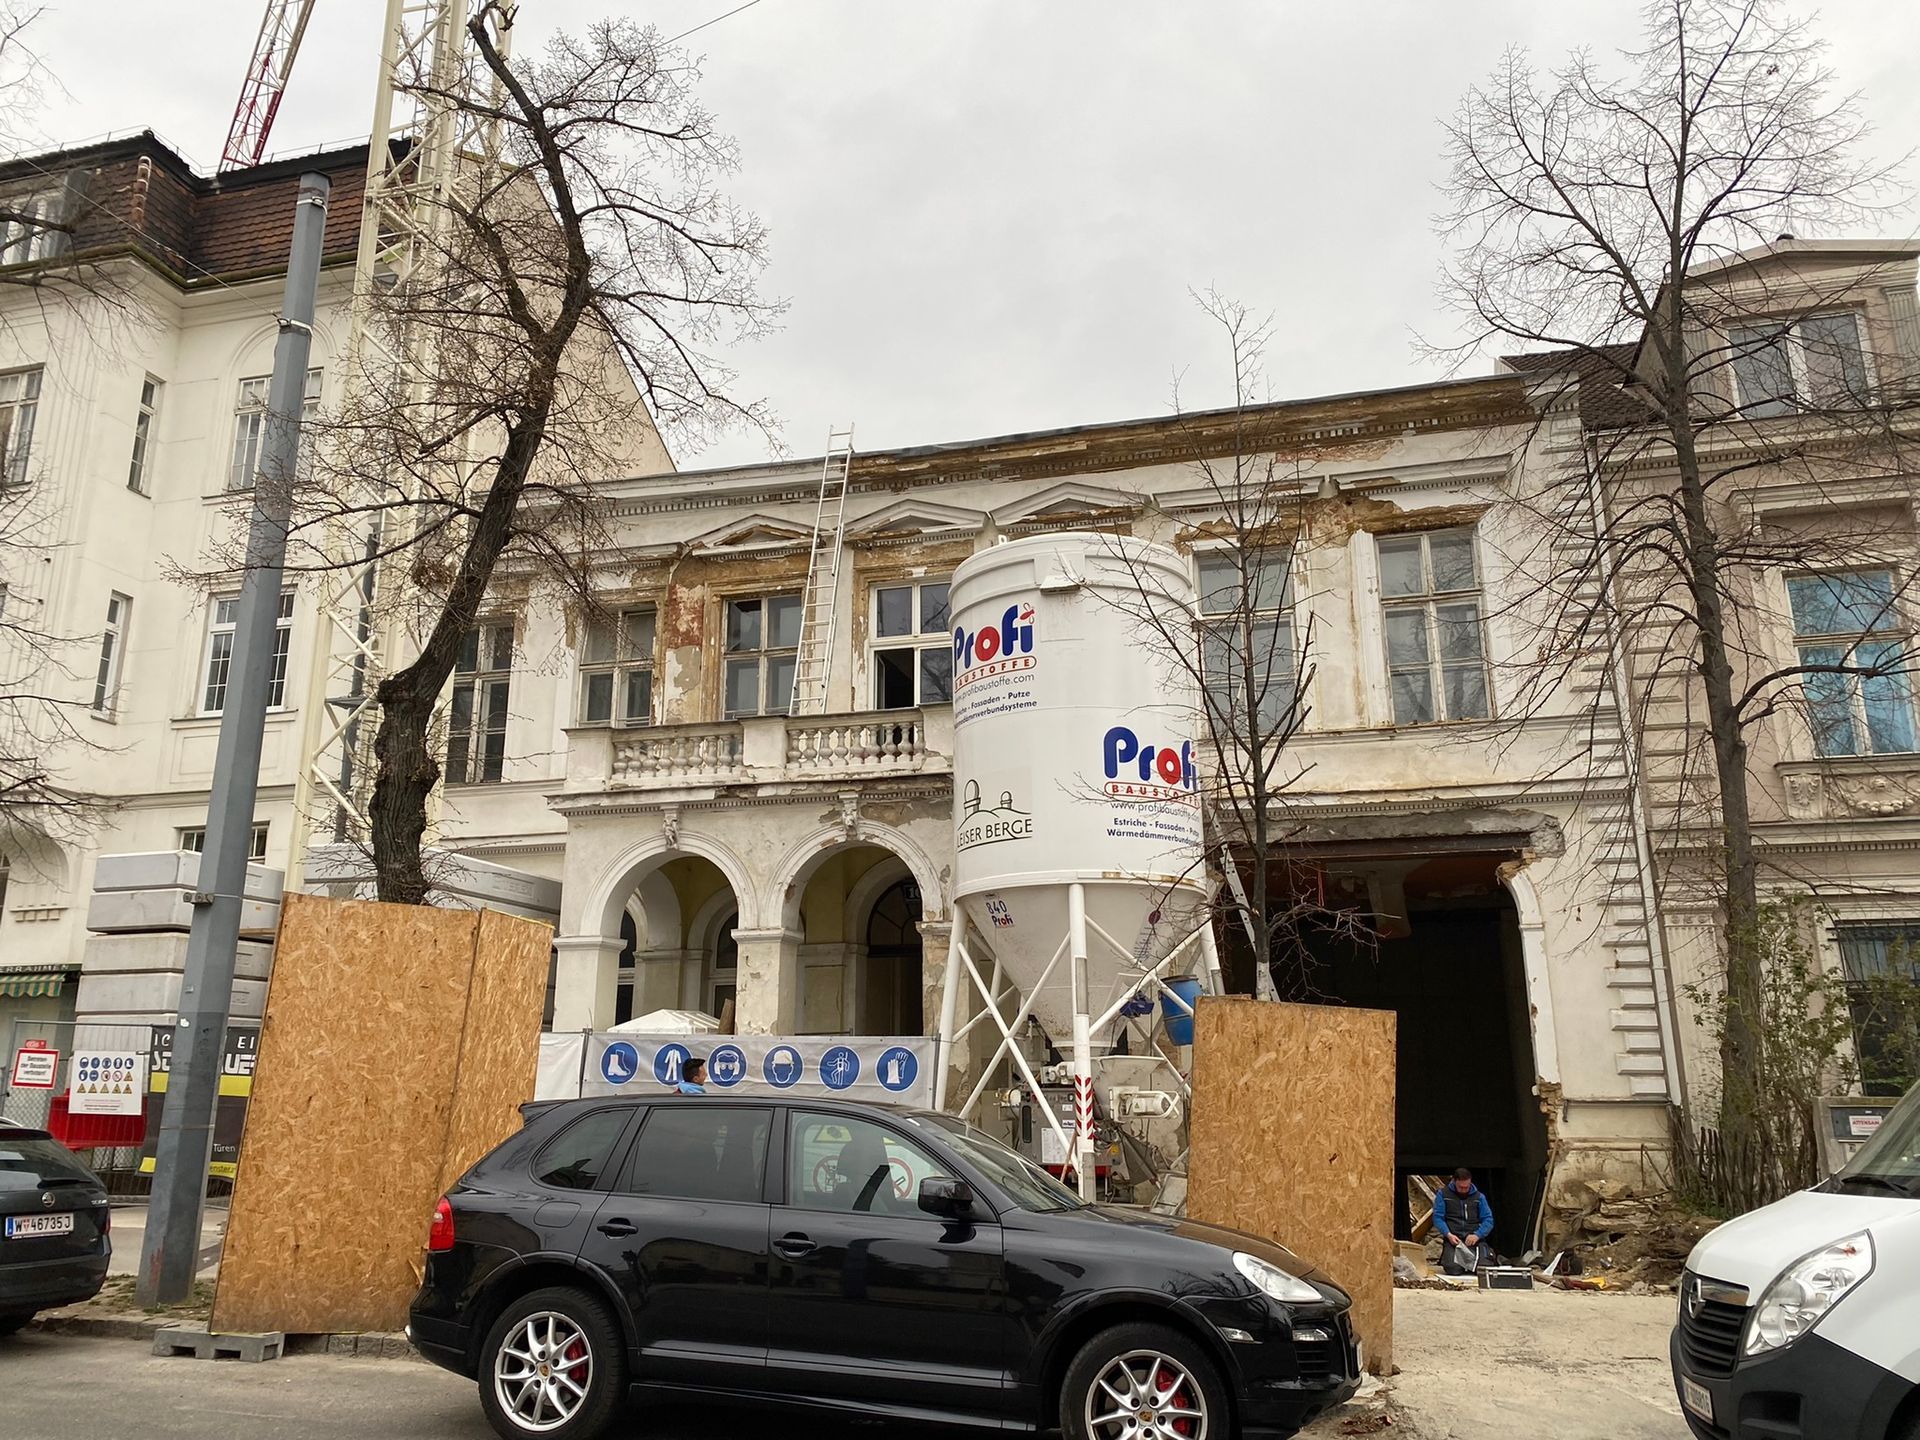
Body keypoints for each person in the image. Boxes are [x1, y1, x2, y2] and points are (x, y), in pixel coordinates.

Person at [1434, 1168, 1494, 1274]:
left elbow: (1488, 1220)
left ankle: (1483, 1257)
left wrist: (1477, 1235)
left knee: (1483, 1269)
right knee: (1452, 1268)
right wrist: (1448, 1235)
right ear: (1454, 1181)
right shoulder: (1443, 1194)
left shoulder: (1479, 1197)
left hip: (1475, 1239)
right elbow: (1438, 1218)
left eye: (1466, 1187)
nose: (1464, 1190)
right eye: (1460, 1187)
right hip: (1454, 1239)